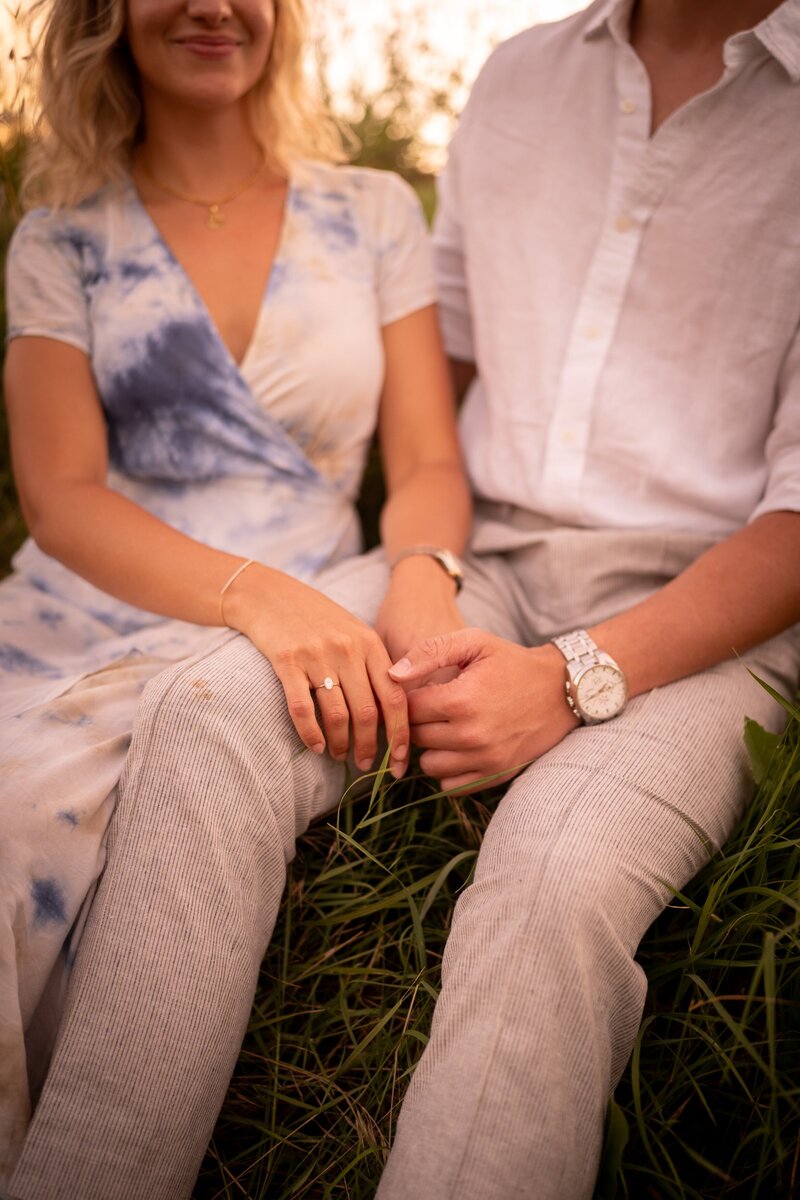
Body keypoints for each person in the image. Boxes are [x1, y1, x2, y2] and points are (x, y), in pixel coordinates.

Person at [8, 0, 800, 1197]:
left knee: (554, 867)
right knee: (212, 713)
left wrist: (573, 677)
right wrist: (422, 576)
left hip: (705, 599)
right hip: (481, 554)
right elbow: (440, 398)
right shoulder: (522, 79)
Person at [0, 0, 473, 1186]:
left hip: (303, 607)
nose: (215, 6)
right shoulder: (61, 236)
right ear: (107, 17)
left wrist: (419, 576)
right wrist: (249, 594)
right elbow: (58, 496)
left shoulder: (370, 214)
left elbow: (421, 463)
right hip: (81, 612)